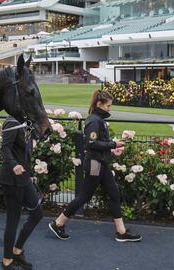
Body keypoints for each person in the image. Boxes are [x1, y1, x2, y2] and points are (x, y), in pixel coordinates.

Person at [48, 90, 141, 242]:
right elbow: (91, 144)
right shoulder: (94, 120)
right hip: (95, 164)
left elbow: (97, 142)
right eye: (108, 106)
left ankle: (121, 232)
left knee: (114, 194)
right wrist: (113, 144)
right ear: (99, 104)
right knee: (85, 196)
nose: (110, 109)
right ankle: (58, 223)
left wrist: (111, 145)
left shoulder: (97, 119)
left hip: (101, 163)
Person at [0, 116, 43, 269]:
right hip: (11, 179)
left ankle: (17, 251)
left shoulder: (26, 122)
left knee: (37, 214)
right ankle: (7, 260)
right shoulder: (12, 123)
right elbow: (4, 148)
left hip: (23, 178)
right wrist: (14, 165)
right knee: (13, 219)